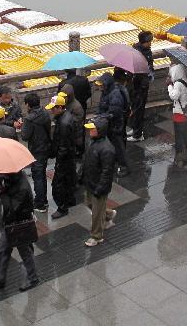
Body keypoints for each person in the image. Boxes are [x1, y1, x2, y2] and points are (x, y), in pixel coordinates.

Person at [0, 171, 40, 291]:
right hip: (11, 223)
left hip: (20, 223)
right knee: (3, 249)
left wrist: (3, 193)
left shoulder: (22, 187)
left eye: (3, 173)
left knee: (25, 252)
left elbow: (12, 208)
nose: (1, 174)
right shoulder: (13, 178)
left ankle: (32, 277)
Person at [82, 115, 116, 247]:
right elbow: (86, 161)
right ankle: (108, 214)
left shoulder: (107, 149)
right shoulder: (92, 141)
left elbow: (107, 172)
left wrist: (100, 188)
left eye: (92, 129)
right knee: (89, 203)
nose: (89, 131)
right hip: (90, 182)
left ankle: (96, 236)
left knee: (96, 213)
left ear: (100, 130)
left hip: (99, 186)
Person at [47, 93, 78, 219]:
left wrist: (58, 159)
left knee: (58, 184)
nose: (52, 111)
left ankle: (62, 207)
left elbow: (63, 144)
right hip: (70, 156)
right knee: (69, 180)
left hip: (64, 158)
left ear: (60, 107)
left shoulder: (64, 123)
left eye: (54, 108)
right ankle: (70, 200)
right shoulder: (67, 117)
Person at [20, 92, 52, 213]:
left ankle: (40, 204)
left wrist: (23, 126)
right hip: (45, 147)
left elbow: (25, 136)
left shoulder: (29, 119)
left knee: (37, 176)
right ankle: (44, 200)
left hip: (36, 150)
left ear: (28, 105)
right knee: (42, 174)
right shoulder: (45, 113)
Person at [97, 71, 130, 177]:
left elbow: (115, 111)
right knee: (112, 144)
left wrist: (103, 116)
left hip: (115, 125)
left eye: (102, 85)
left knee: (118, 146)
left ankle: (124, 167)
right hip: (109, 123)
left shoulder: (115, 94)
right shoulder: (107, 92)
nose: (100, 87)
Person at [128, 31, 154, 142]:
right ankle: (135, 129)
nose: (150, 44)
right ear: (143, 42)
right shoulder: (137, 50)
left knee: (139, 109)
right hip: (135, 83)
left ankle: (138, 134)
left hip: (142, 85)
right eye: (149, 42)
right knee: (135, 107)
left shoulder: (146, 52)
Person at [167, 63, 187, 166]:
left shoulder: (178, 83)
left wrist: (169, 86)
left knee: (178, 136)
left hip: (179, 113)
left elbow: (174, 96)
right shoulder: (185, 80)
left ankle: (180, 158)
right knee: (186, 133)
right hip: (186, 112)